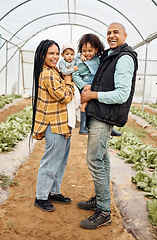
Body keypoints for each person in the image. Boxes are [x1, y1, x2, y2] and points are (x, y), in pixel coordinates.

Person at [78, 23, 138, 229]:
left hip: (104, 116)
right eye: (109, 33)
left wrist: (92, 95)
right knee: (102, 159)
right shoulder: (111, 55)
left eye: (116, 33)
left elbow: (121, 94)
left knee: (94, 160)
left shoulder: (124, 58)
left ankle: (104, 211)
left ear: (124, 35)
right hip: (99, 113)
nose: (112, 36)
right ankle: (100, 197)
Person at [30, 40, 75, 212]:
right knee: (50, 162)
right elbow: (65, 96)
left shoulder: (54, 71)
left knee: (60, 161)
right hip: (54, 125)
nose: (56, 57)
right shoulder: (48, 74)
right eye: (51, 53)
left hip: (62, 124)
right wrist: (70, 83)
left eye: (57, 53)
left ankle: (53, 191)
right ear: (42, 55)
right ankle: (41, 197)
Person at [72, 33, 122, 136]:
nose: (87, 54)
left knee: (105, 100)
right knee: (84, 102)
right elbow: (75, 75)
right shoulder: (79, 61)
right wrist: (83, 85)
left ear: (96, 50)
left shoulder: (99, 59)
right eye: (84, 51)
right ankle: (83, 126)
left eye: (90, 51)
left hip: (97, 84)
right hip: (86, 84)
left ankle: (110, 125)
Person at [59, 43, 81, 129]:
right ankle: (71, 120)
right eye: (67, 54)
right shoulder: (62, 62)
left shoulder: (74, 60)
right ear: (62, 54)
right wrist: (73, 69)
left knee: (78, 98)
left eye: (71, 54)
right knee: (70, 101)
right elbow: (64, 72)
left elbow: (80, 55)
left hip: (73, 82)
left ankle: (78, 117)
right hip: (66, 83)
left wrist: (82, 56)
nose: (69, 56)